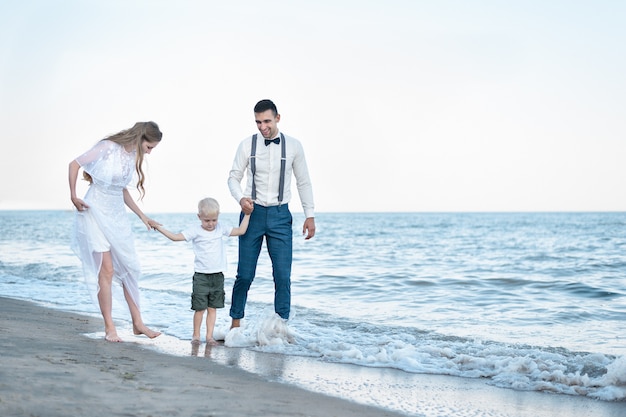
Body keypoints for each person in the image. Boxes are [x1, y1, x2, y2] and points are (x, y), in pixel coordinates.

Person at [69, 121, 163, 342]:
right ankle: (110, 327)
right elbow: (74, 164)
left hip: (116, 217)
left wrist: (142, 216)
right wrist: (74, 196)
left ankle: (138, 324)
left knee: (129, 269)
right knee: (107, 270)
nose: (149, 153)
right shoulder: (108, 147)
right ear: (141, 139)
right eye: (149, 147)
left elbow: (121, 191)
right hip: (93, 212)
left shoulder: (131, 157)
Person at [227, 99, 315, 328]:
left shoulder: (294, 146)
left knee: (283, 276)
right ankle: (235, 324)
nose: (262, 126)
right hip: (251, 214)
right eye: (258, 122)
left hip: (280, 215)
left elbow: (303, 182)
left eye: (266, 121)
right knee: (244, 274)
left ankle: (280, 327)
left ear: (278, 118)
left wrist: (310, 214)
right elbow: (233, 177)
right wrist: (241, 199)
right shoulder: (247, 145)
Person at [152, 197, 251, 345]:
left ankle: (209, 337)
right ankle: (196, 335)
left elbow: (241, 231)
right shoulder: (195, 231)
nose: (211, 224)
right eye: (207, 220)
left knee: (213, 309)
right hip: (201, 277)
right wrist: (158, 227)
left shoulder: (221, 228)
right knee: (199, 309)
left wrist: (248, 214)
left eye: (214, 220)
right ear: (199, 217)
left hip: (217, 276)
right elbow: (175, 237)